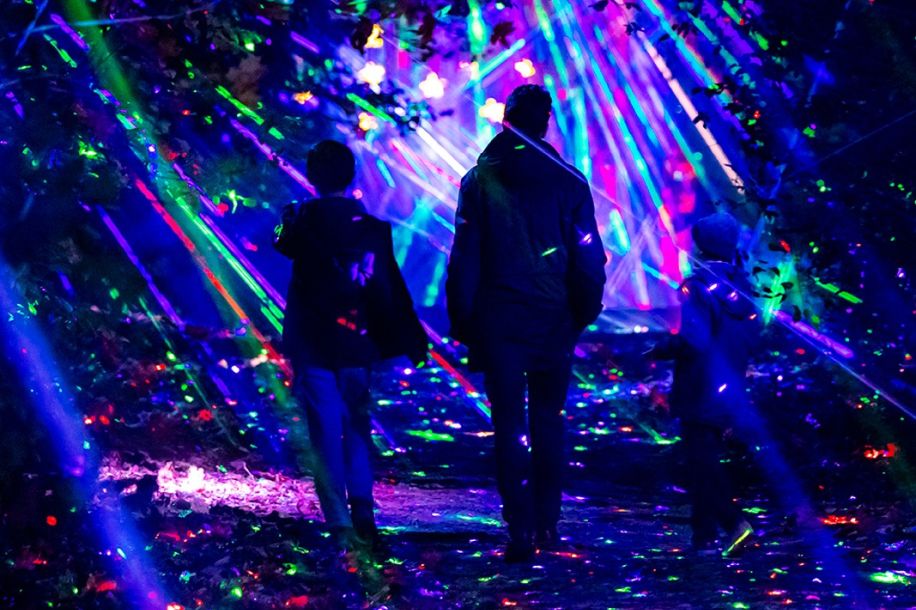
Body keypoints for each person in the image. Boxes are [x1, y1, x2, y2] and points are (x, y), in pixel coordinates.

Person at [446, 85, 607, 562]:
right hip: (554, 316)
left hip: (499, 319)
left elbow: (465, 257)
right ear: (546, 123)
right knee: (548, 420)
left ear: (506, 121)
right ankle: (547, 521)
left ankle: (519, 528)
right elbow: (588, 256)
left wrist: (463, 319)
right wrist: (583, 309)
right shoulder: (570, 182)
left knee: (509, 425)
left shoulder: (479, 181)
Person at [274, 140, 428, 550]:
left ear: (312, 176)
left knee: (324, 429)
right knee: (357, 423)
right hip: (357, 339)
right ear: (351, 175)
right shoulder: (373, 229)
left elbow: (281, 244)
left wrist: (286, 221)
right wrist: (410, 335)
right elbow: (390, 286)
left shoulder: (302, 223)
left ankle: (339, 521)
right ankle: (363, 510)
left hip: (313, 340)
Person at [650, 212, 762, 556]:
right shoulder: (743, 288)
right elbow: (751, 334)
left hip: (700, 384)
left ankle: (732, 523)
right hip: (729, 384)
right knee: (704, 458)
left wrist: (661, 349)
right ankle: (704, 537)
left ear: (700, 246)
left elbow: (694, 339)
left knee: (701, 462)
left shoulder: (698, 286)